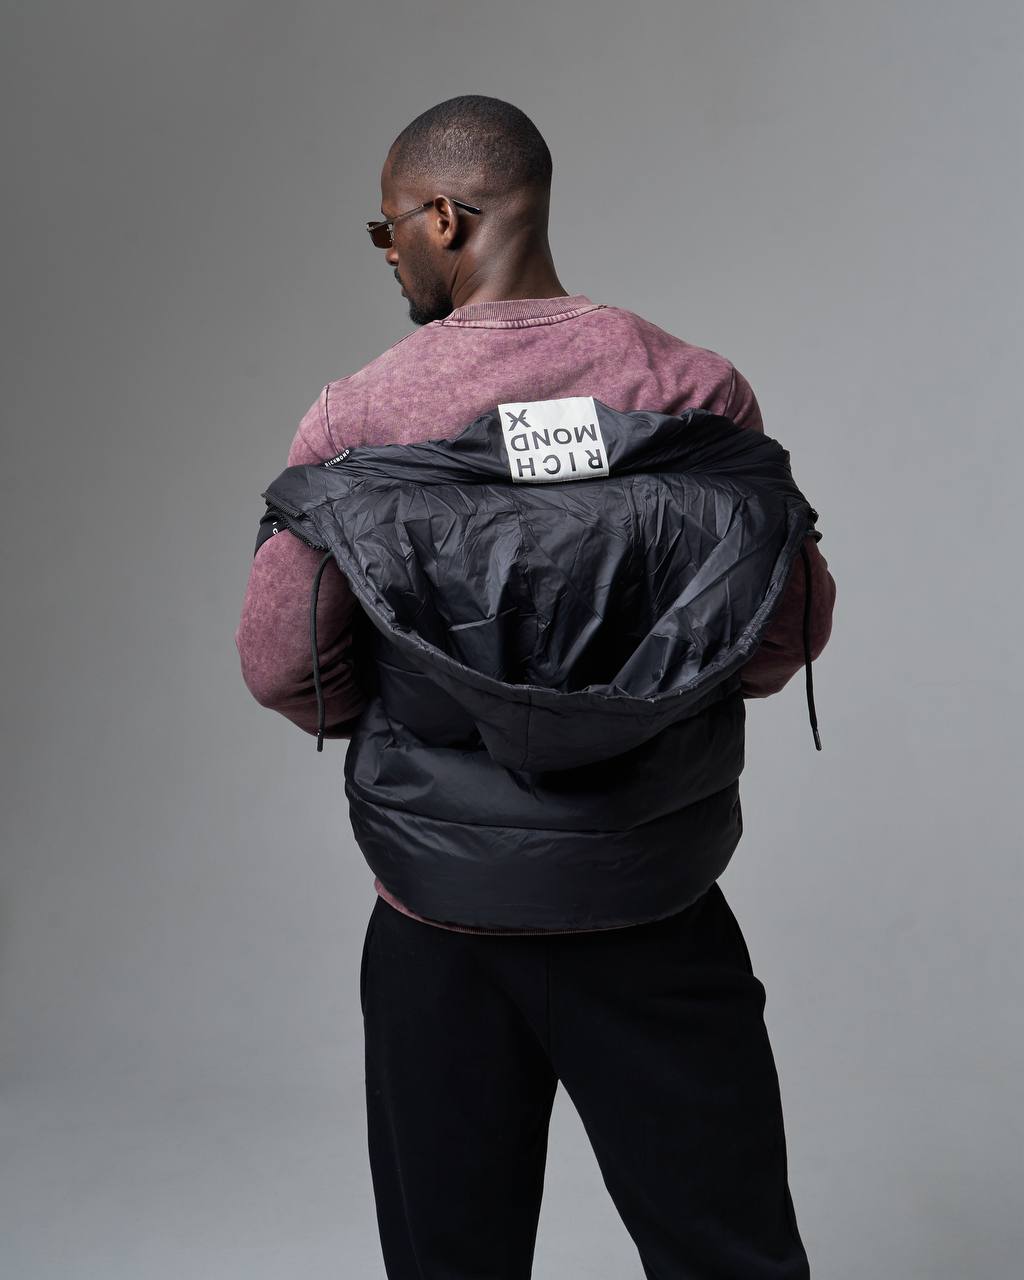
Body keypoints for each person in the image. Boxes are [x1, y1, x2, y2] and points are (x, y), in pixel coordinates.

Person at [235, 94, 836, 1279]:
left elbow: (280, 662)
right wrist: (649, 701)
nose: (388, 251)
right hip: (651, 900)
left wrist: (435, 717)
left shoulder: (360, 416)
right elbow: (783, 630)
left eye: (388, 228)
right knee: (729, 1256)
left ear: (443, 218)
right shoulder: (694, 390)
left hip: (437, 918)